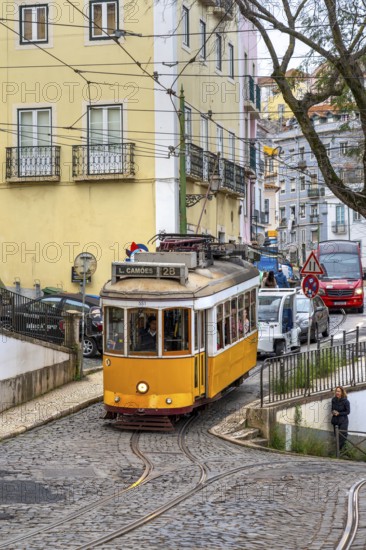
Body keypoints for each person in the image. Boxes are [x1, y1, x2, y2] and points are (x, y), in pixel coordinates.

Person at [331, 386, 350, 451]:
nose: (337, 393)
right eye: (336, 391)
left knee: (342, 437)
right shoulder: (333, 400)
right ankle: (338, 452)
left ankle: (341, 452)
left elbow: (348, 412)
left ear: (342, 392)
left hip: (343, 421)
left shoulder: (346, 401)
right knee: (336, 436)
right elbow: (332, 409)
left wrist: (339, 413)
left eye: (339, 391)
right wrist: (333, 412)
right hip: (335, 420)